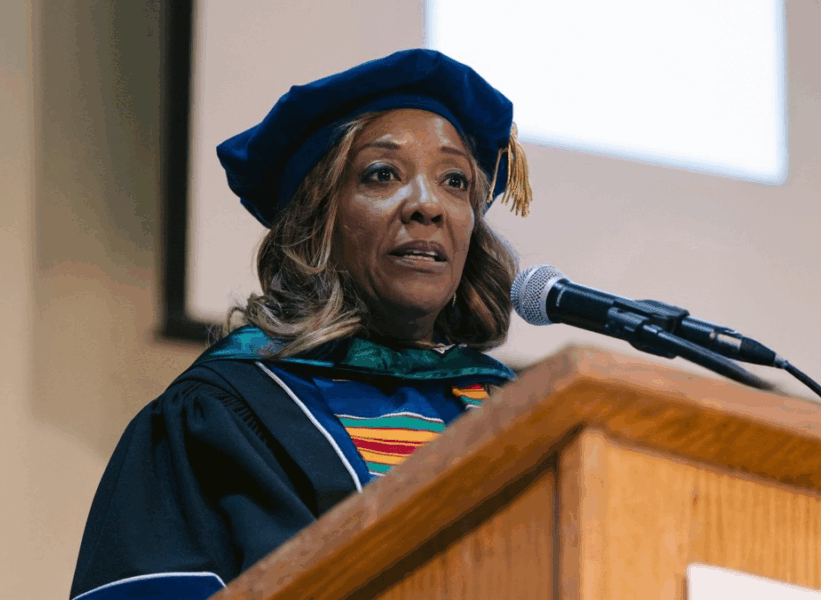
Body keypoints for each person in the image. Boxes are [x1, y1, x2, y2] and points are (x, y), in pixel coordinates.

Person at [69, 48, 532, 599]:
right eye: (383, 174)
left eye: (455, 181)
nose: (428, 205)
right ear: (319, 220)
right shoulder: (217, 416)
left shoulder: (514, 412)